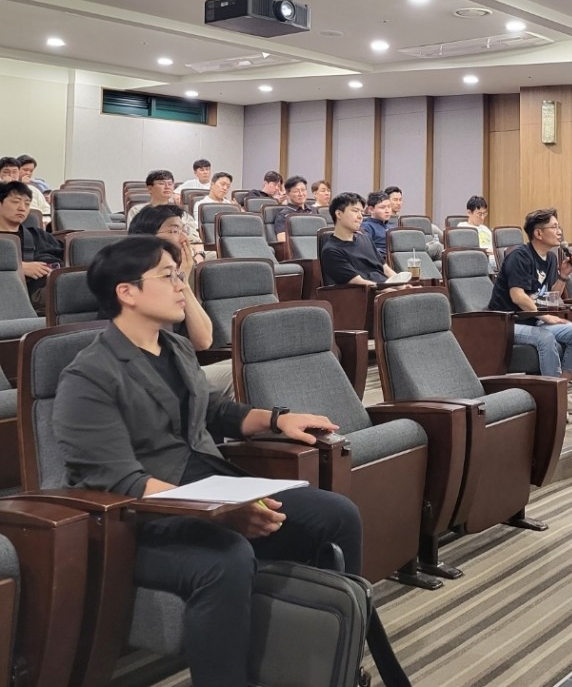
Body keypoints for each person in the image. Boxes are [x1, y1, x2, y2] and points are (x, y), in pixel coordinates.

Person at [51, 235, 361, 687]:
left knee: (336, 515)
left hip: (211, 487)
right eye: (168, 276)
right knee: (226, 557)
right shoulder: (88, 375)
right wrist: (219, 514)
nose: (182, 286)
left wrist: (279, 419)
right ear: (127, 292)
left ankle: (327, 662)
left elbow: (215, 411)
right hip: (138, 521)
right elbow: (121, 480)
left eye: (180, 275)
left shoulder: (174, 348)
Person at [488, 208, 572, 415]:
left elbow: (549, 297)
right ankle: (554, 402)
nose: (559, 232)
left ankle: (560, 392)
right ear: (538, 233)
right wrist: (545, 316)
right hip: (507, 323)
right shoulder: (519, 257)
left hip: (532, 321)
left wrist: (563, 276)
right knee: (545, 337)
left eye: (559, 227)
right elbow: (518, 296)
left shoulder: (550, 259)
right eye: (554, 227)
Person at [128, 204, 231, 396]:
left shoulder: (174, 279)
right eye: (174, 231)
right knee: (239, 376)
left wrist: (182, 278)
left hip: (181, 368)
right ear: (147, 238)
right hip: (151, 378)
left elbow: (204, 340)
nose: (184, 239)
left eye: (183, 230)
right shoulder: (134, 282)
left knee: (240, 368)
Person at [0, 180, 62, 308]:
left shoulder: (39, 234)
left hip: (57, 282)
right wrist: (19, 267)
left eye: (27, 204)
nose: (22, 208)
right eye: (15, 202)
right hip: (27, 294)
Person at [321, 191, 400, 286]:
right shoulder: (331, 250)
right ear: (338, 214)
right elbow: (359, 283)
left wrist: (401, 284)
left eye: (361, 212)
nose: (360, 216)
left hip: (385, 287)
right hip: (369, 292)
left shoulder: (365, 239)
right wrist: (389, 289)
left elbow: (386, 269)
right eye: (355, 211)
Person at [126, 170, 205, 257]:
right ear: (150, 188)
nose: (167, 187)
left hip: (186, 252)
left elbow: (196, 241)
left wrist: (200, 255)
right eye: (162, 184)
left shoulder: (182, 213)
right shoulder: (138, 211)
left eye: (170, 184)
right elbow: (136, 239)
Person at [384, 185, 443, 260]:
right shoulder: (386, 221)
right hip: (405, 252)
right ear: (387, 201)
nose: (399, 203)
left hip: (413, 247)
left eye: (400, 200)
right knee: (437, 247)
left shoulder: (401, 220)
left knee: (434, 232)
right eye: (395, 200)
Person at [0, 156, 48, 223]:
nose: (11, 175)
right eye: (6, 172)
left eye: (14, 172)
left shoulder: (33, 189)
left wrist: (44, 221)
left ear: (19, 172)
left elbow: (46, 209)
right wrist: (5, 185)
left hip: (35, 222)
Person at [456, 195, 497, 272]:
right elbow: (467, 249)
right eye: (479, 214)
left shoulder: (485, 229)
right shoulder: (463, 227)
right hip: (479, 260)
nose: (482, 218)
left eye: (484, 214)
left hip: (495, 259)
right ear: (469, 213)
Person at [273, 175, 314, 242]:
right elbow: (282, 241)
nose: (301, 194)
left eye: (303, 190)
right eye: (296, 191)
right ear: (287, 193)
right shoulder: (283, 215)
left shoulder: (313, 210)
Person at [361, 191, 392, 260]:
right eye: (382, 207)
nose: (387, 211)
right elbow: (367, 250)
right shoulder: (366, 226)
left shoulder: (392, 227)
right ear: (371, 209)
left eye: (389, 207)